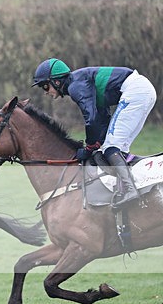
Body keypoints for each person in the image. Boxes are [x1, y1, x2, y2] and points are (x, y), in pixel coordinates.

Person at [32, 58, 157, 208]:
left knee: (112, 148)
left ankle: (131, 190)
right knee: (114, 148)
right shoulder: (79, 82)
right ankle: (131, 184)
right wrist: (97, 142)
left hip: (136, 91)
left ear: (56, 82)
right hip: (142, 90)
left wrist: (89, 147)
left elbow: (90, 119)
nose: (45, 92)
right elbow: (101, 116)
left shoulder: (75, 86)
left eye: (45, 86)